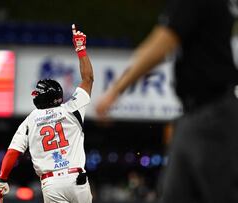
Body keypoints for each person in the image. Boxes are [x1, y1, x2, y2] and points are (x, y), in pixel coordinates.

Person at [96, 0, 238, 202]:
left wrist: (117, 89)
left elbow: (163, 42)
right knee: (173, 195)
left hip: (212, 115)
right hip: (198, 115)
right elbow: (160, 38)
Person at [0, 24, 94, 203]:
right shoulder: (72, 108)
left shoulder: (30, 120)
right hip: (77, 179)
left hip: (51, 183)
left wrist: (2, 179)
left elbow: (12, 153)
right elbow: (88, 79)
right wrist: (81, 49)